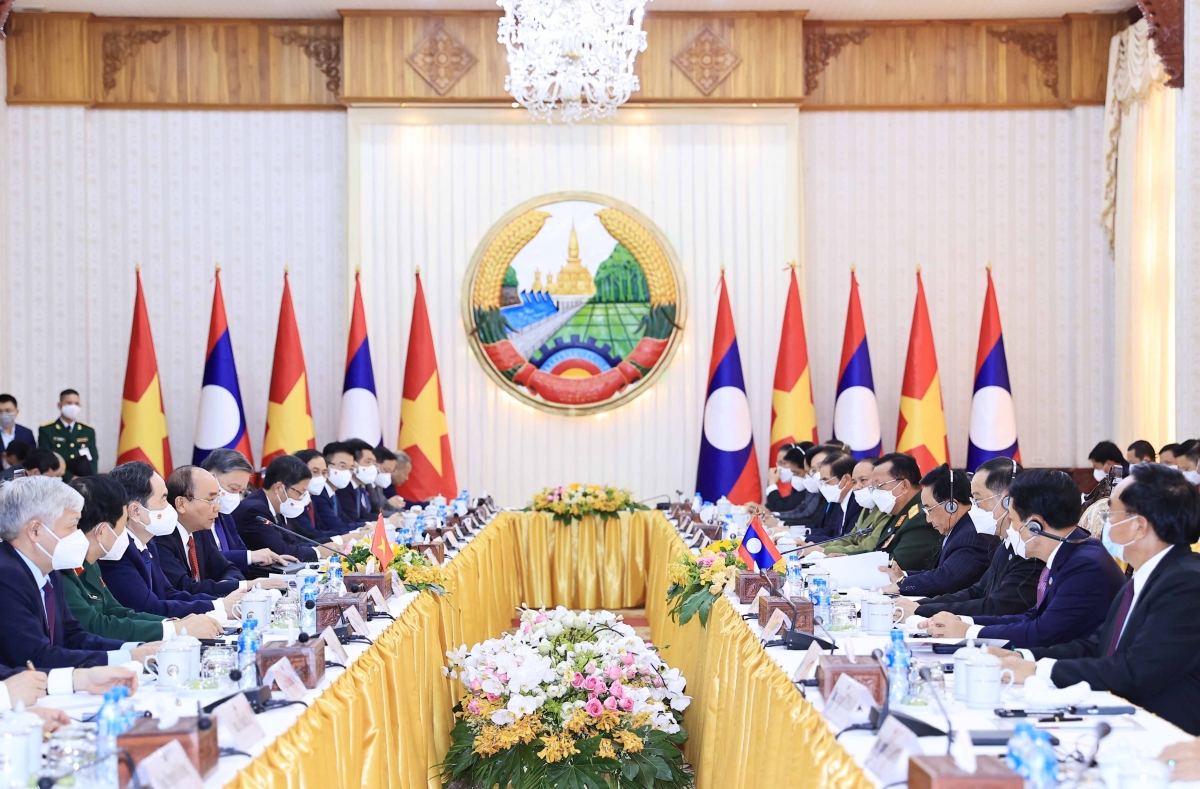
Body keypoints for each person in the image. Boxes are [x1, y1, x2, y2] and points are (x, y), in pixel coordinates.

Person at [994, 464, 1200, 735]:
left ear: (1139, 526)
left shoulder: (1186, 583)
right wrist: (1022, 657)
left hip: (1166, 732)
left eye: (1111, 515)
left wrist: (1040, 671)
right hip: (1125, 714)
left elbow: (1136, 672)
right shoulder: (1145, 576)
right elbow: (1098, 646)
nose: (1106, 525)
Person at [919, 469, 1126, 648]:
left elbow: (1042, 633)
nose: (1011, 530)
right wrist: (963, 622)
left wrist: (968, 632)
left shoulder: (1084, 566)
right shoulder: (1070, 553)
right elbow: (1032, 617)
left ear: (1035, 526)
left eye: (1013, 520)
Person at [0, 476, 161, 669]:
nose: (80, 534)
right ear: (35, 531)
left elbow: (73, 637)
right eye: (72, 526)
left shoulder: (50, 572)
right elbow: (35, 658)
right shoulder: (6, 577)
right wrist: (128, 657)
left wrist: (135, 650)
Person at [62, 476, 215, 642]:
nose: (125, 536)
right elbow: (96, 626)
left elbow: (116, 611)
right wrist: (175, 629)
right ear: (102, 531)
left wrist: (173, 624)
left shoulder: (90, 564)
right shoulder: (64, 570)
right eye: (122, 527)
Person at [896, 458, 1042, 621]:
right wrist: (920, 606)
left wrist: (922, 610)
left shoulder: (1030, 551)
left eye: (978, 501)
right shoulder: (1007, 545)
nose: (973, 508)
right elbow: (977, 591)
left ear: (1008, 501)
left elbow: (996, 607)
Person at [101, 461, 237, 628]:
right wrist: (219, 607)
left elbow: (169, 593)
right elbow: (150, 608)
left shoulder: (148, 544)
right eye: (164, 499)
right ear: (135, 511)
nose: (170, 507)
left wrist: (219, 603)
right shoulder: (116, 552)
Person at [880, 464, 997, 597]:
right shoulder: (962, 529)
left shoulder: (973, 535)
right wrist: (903, 576)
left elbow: (947, 579)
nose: (928, 519)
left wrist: (901, 585)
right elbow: (941, 572)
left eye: (929, 510)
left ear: (951, 506)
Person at [153, 466, 247, 597]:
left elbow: (228, 569)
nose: (217, 507)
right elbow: (185, 589)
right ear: (181, 504)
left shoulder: (198, 532)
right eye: (210, 500)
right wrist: (238, 586)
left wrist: (226, 585)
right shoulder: (160, 538)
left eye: (217, 499)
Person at [200, 449, 291, 574]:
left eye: (241, 491)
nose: (236, 497)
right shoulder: (193, 518)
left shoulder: (226, 516)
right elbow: (205, 559)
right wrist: (249, 557)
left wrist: (266, 559)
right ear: (211, 478)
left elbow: (240, 551)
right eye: (234, 488)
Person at [232, 455, 326, 562]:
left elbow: (292, 542)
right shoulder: (255, 510)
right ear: (279, 488)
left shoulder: (274, 506)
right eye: (300, 493)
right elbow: (281, 550)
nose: (301, 498)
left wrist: (322, 548)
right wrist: (318, 552)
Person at [864, 453, 942, 571]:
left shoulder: (923, 517)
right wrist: (845, 557)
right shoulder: (899, 513)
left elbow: (897, 565)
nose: (875, 493)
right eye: (873, 488)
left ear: (904, 486)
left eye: (879, 486)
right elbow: (879, 553)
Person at [805, 458, 888, 557]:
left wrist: (823, 550)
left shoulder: (886, 509)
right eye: (854, 482)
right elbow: (849, 538)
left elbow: (868, 548)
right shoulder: (866, 506)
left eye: (863, 480)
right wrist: (817, 548)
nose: (856, 487)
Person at [37, 389, 97, 478]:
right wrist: (69, 477)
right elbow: (46, 459)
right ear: (60, 405)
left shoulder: (88, 430)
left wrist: (91, 479)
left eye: (76, 403)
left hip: (84, 479)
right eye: (69, 403)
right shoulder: (47, 430)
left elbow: (93, 458)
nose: (73, 407)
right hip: (58, 479)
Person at [804, 453, 862, 542]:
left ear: (846, 479)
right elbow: (829, 531)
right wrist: (802, 538)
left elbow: (847, 540)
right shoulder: (839, 499)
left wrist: (806, 540)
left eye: (826, 482)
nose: (823, 487)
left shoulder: (858, 502)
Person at [295, 448, 348, 536]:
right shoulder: (294, 502)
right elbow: (311, 534)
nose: (320, 477)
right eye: (315, 472)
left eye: (324, 472)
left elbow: (321, 528)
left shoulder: (310, 499)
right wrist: (344, 536)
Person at [764, 446, 808, 512]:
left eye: (784, 463)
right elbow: (788, 502)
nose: (780, 468)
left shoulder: (807, 486)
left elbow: (783, 509)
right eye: (779, 463)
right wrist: (761, 508)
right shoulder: (797, 484)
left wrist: (772, 483)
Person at [0, 394, 35, 466]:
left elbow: (32, 458)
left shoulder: (26, 433)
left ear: (16, 412)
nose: (3, 414)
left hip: (22, 472)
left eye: (8, 411)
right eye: (0, 411)